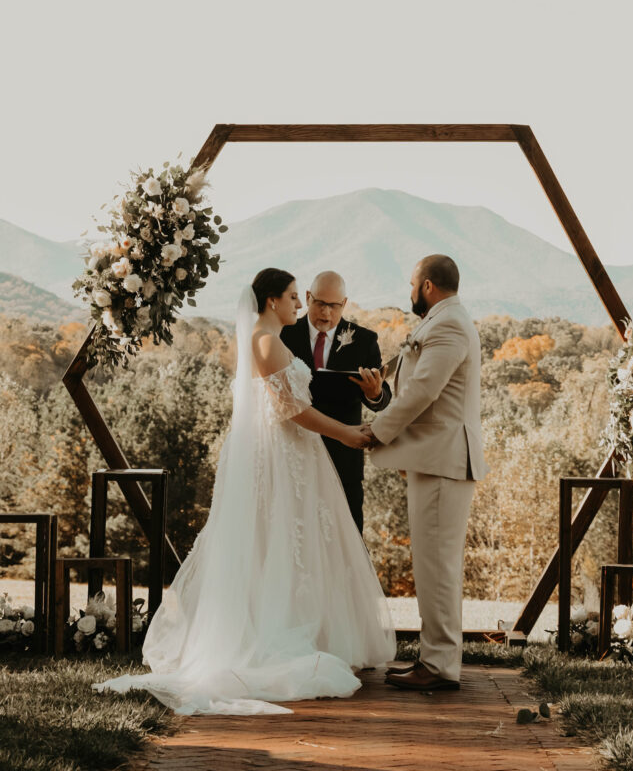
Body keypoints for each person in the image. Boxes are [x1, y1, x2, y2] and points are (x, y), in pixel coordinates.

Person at [93, 268, 396, 715]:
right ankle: (279, 635)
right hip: (280, 455)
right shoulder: (267, 342)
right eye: (295, 297)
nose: (301, 305)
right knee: (278, 542)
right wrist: (348, 434)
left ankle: (306, 629)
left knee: (290, 544)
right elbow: (292, 409)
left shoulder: (266, 337)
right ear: (273, 300)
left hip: (289, 454)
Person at [370, 255, 488, 692]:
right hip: (435, 458)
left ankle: (438, 665)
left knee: (437, 565)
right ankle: (435, 658)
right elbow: (410, 380)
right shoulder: (442, 320)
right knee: (433, 563)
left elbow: (424, 390)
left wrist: (378, 431)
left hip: (444, 460)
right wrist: (378, 389)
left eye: (412, 283)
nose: (410, 290)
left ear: (428, 287)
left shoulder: (449, 324)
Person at [281, 271, 391, 533]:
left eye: (334, 306)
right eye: (320, 303)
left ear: (344, 303)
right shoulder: (284, 334)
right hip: (294, 455)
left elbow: (383, 399)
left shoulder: (365, 340)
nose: (326, 313)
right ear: (308, 298)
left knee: (347, 542)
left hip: (344, 461)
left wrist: (374, 393)